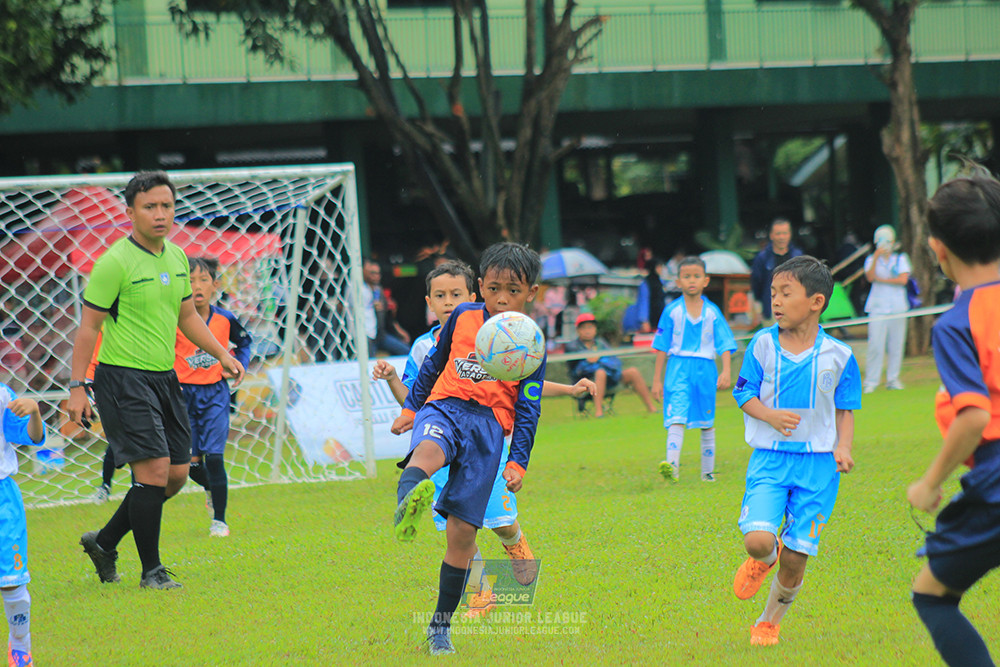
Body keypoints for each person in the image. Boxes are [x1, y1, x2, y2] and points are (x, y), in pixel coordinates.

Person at [373, 260, 594, 619]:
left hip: (488, 436)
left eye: (455, 295)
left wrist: (567, 390)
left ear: (470, 295)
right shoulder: (423, 347)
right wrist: (400, 391)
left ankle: (514, 543)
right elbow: (420, 389)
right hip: (443, 423)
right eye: (440, 296)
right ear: (428, 301)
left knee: (499, 518)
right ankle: (482, 592)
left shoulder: (510, 337)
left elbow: (527, 390)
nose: (448, 302)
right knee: (455, 526)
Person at [67, 171, 245, 590]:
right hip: (122, 379)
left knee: (178, 475)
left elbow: (186, 318)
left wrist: (222, 354)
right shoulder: (114, 262)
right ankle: (152, 572)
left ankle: (104, 541)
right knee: (153, 472)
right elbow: (88, 327)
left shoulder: (178, 258)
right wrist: (77, 387)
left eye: (167, 205)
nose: (160, 214)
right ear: (130, 213)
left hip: (165, 379)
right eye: (150, 206)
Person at [388, 242, 547, 656]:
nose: (502, 298)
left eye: (513, 290)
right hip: (445, 406)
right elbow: (433, 365)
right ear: (479, 286)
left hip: (490, 429)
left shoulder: (530, 344)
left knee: (461, 537)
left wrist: (518, 461)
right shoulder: (462, 317)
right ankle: (408, 503)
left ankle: (440, 628)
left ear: (531, 291)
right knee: (426, 453)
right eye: (493, 288)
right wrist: (411, 406)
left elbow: (529, 407)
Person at [730, 255, 861, 647]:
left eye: (786, 293)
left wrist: (844, 446)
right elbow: (742, 393)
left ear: (816, 301)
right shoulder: (762, 345)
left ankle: (768, 622)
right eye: (773, 293)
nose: (777, 301)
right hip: (770, 458)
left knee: (798, 554)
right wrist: (767, 415)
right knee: (758, 540)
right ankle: (764, 559)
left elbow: (845, 409)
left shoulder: (840, 356)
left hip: (819, 467)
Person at [907, 174, 1000, 667]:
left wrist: (929, 483)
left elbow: (974, 416)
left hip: (997, 479)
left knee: (932, 596)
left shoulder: (958, 322)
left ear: (938, 250)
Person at [175, 257, 252, 538]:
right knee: (189, 464)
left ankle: (219, 521)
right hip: (183, 395)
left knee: (216, 457)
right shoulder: (174, 318)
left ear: (215, 285)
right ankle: (209, 487)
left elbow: (244, 341)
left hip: (216, 394)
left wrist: (237, 362)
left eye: (203, 280)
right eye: (190, 280)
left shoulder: (225, 318)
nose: (197, 286)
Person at [651, 256, 736, 482]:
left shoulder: (713, 312)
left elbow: (725, 343)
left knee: (706, 422)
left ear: (705, 281)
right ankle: (672, 468)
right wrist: (657, 380)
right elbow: (661, 346)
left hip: (705, 370)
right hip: (677, 367)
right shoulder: (671, 311)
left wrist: (726, 371)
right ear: (678, 281)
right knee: (676, 416)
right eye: (686, 276)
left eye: (696, 276)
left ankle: (707, 474)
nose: (692, 281)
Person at [0, 383, 45, 667]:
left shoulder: (3, 394)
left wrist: (35, 412)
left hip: (3, 501)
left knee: (13, 584)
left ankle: (20, 647)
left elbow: (32, 436)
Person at [565, 313, 656, 418]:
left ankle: (651, 408)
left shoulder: (601, 343)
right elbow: (579, 369)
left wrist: (598, 360)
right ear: (578, 330)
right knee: (600, 372)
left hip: (610, 377)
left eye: (590, 327)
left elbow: (615, 361)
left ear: (595, 329)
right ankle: (599, 413)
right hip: (587, 384)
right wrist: (594, 362)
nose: (587, 331)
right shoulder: (572, 347)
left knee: (632, 372)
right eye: (584, 328)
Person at [862, 224, 911, 393]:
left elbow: (903, 280)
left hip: (898, 307)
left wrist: (881, 280)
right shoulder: (870, 260)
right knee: (875, 344)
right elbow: (870, 277)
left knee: (896, 344)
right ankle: (871, 381)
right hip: (877, 307)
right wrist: (876, 258)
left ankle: (893, 379)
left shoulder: (901, 259)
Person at [750, 218, 804, 323]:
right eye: (778, 234)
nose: (781, 237)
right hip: (771, 309)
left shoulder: (798, 256)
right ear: (771, 235)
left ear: (790, 235)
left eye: (785, 233)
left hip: (795, 308)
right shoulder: (762, 258)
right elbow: (756, 284)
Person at [361, 258, 411, 357]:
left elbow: (389, 317)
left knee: (406, 350)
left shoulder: (378, 290)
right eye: (372, 273)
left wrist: (399, 330)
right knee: (371, 362)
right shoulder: (359, 289)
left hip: (380, 334)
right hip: (366, 335)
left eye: (378, 273)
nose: (376, 276)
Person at [636, 257, 666, 334]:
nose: (660, 269)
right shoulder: (645, 283)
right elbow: (643, 301)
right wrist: (644, 320)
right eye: (658, 267)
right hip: (651, 317)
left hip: (661, 317)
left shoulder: (661, 281)